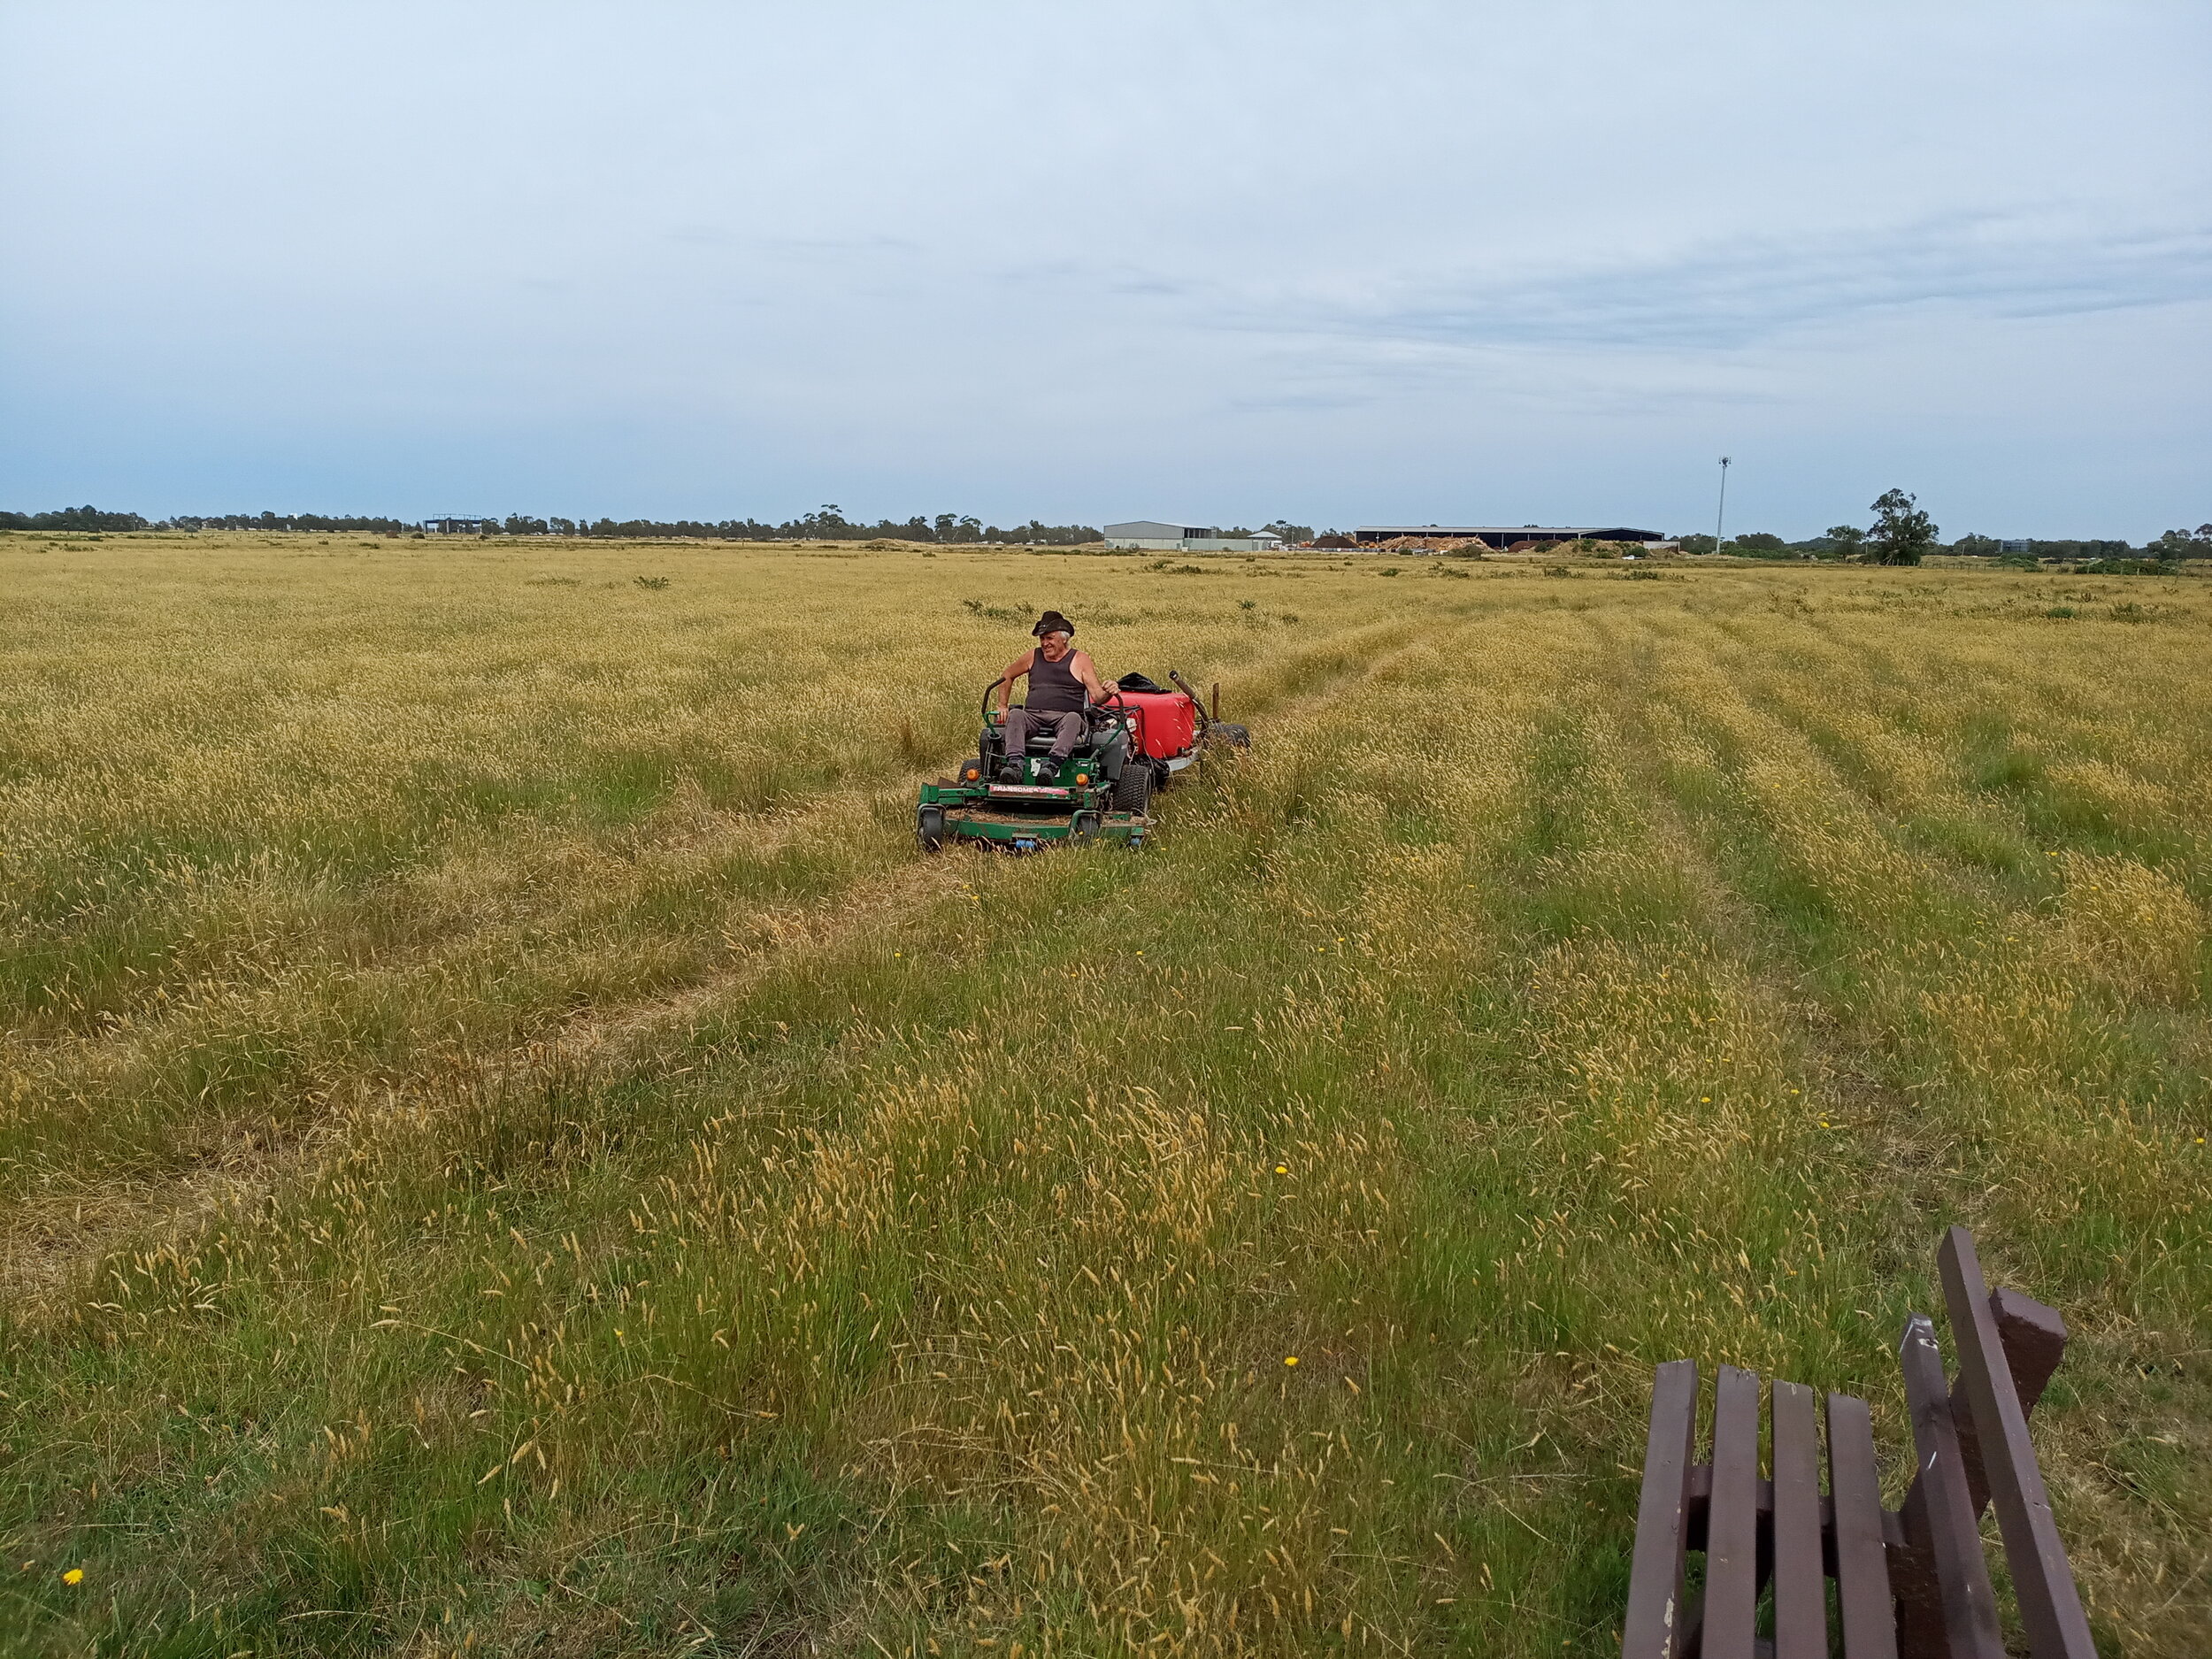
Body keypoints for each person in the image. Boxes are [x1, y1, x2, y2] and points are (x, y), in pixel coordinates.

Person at [994, 610, 1110, 782]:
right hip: (1033, 715)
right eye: (1042, 638)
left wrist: (1109, 691)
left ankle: (1052, 766)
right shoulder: (1032, 656)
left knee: (1073, 718)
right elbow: (1007, 675)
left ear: (1064, 638)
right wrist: (1002, 705)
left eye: (1050, 638)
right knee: (1016, 714)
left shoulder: (1080, 659)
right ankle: (1015, 765)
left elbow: (1098, 696)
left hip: (1063, 718)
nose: (1045, 643)